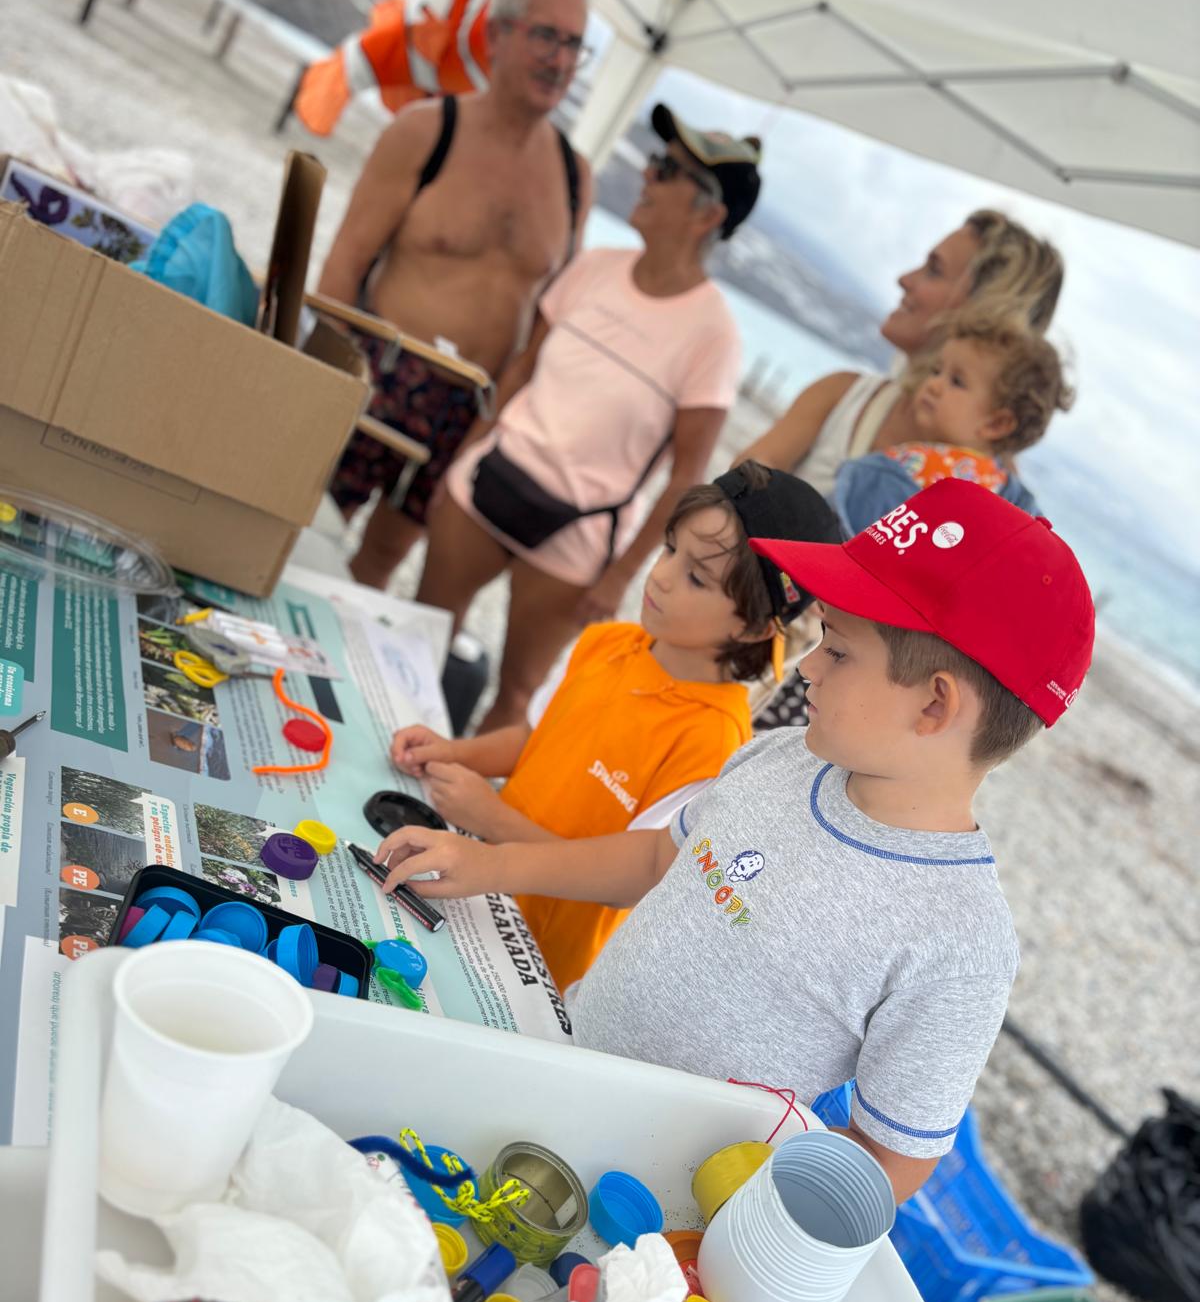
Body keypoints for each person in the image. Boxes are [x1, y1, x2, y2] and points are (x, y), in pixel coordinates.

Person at [374, 479, 1096, 1201]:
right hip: (556, 1060)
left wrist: (735, 1213)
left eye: (838, 652)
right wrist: (491, 863)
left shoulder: (960, 941)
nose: (806, 665)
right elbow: (660, 857)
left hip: (653, 1203)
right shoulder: (783, 756)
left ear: (935, 703)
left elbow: (890, 1159)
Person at [390, 464, 841, 992]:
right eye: (670, 548)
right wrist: (456, 751)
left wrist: (489, 819)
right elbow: (535, 737)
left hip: (534, 956)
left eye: (697, 577)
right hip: (471, 881)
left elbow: (624, 882)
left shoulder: (712, 739)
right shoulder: (607, 643)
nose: (663, 576)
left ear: (754, 625)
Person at [412, 104, 761, 731]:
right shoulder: (594, 267)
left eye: (669, 169)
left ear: (708, 214)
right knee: (418, 645)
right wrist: (460, 459)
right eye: (657, 162)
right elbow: (520, 370)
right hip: (488, 483)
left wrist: (622, 576)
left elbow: (687, 475)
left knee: (515, 698)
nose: (647, 175)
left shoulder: (714, 335)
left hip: (578, 537)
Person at [318, 0, 593, 588]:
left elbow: (548, 322)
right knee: (307, 526)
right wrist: (323, 378)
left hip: (471, 409)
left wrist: (491, 430)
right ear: (497, 34)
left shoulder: (575, 177)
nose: (560, 60)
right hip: (376, 372)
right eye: (546, 36)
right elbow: (344, 263)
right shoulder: (426, 129)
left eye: (575, 44)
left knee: (379, 566)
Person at [739, 209, 1065, 729]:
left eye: (934, 271)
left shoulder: (1002, 517)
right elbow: (727, 509)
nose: (905, 279)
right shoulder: (845, 397)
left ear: (980, 308)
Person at [832, 309, 1073, 534]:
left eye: (957, 381)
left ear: (997, 424)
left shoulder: (877, 477)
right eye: (937, 370)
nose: (934, 384)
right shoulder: (1022, 514)